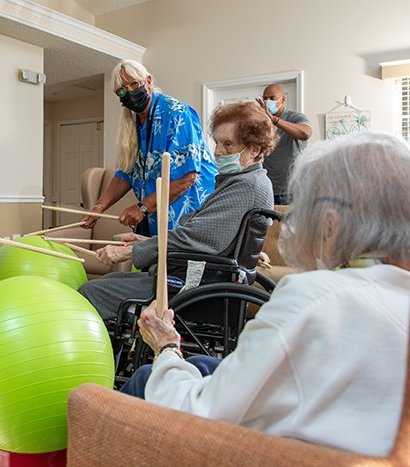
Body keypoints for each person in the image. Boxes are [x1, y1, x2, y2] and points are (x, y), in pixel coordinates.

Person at [120, 131, 410, 456]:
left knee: (150, 376)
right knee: (205, 364)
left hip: (268, 448)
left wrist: (166, 347)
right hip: (362, 435)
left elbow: (200, 412)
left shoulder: (314, 299)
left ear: (331, 226)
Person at [78, 101, 275, 321]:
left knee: (90, 292)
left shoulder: (246, 186)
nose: (218, 152)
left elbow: (197, 238)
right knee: (104, 284)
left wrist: (129, 252)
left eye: (228, 145)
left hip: (195, 286)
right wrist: (143, 241)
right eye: (218, 143)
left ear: (254, 149)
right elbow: (206, 233)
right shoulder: (244, 181)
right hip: (201, 277)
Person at [80, 60, 216, 237]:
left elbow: (187, 177)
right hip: (157, 215)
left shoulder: (177, 113)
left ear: (148, 81)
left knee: (178, 264)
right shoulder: (134, 123)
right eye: (122, 90)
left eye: (134, 84)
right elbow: (126, 173)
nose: (129, 91)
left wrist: (142, 207)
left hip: (191, 214)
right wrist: (98, 208)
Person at [255, 83, 312, 204]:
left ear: (283, 99)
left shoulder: (294, 117)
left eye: (272, 98)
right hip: (268, 190)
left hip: (293, 190)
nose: (267, 101)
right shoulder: (261, 122)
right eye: (265, 98)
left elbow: (305, 133)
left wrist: (274, 120)